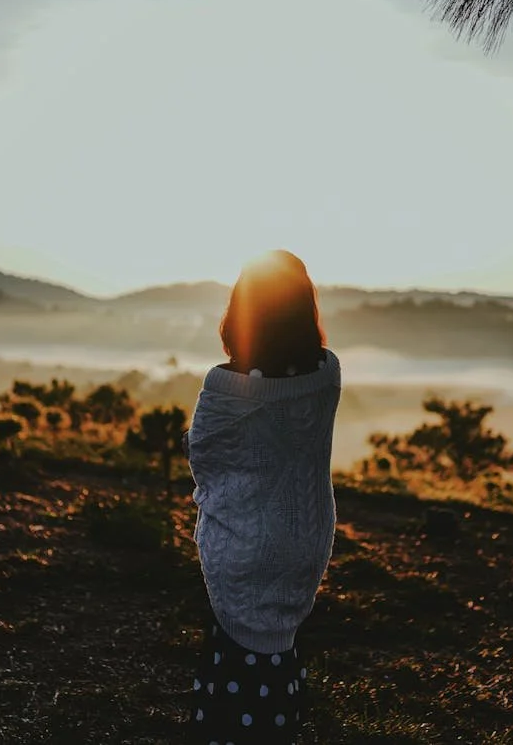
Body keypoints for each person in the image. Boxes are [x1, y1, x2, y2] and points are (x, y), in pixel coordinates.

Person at [184, 250, 341, 745]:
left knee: (234, 664)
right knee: (280, 654)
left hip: (244, 548)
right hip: (307, 540)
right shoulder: (327, 375)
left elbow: (203, 454)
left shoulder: (225, 387)